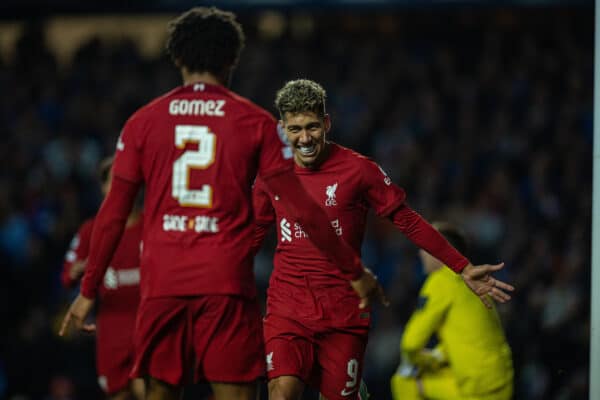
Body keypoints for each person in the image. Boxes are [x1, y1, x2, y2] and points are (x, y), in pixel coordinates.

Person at [59, 7, 388, 400]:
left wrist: (88, 290)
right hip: (224, 284)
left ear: (178, 57)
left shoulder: (142, 122)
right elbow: (300, 205)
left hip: (164, 283)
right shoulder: (254, 122)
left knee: (159, 393)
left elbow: (113, 214)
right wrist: (354, 270)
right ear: (232, 58)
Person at [251, 79, 514, 400]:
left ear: (327, 123)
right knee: (282, 392)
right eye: (295, 129)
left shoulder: (358, 171)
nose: (304, 138)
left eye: (312, 127)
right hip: (287, 308)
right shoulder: (272, 176)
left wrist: (461, 266)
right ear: (282, 128)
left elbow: (407, 221)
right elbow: (250, 235)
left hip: (343, 314)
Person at [390, 222, 514, 400]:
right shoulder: (473, 280)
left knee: (404, 379)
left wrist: (421, 360)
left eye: (425, 247)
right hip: (502, 383)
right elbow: (470, 336)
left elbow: (410, 344)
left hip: (477, 392)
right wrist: (437, 357)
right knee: (436, 371)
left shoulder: (441, 280)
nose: (420, 253)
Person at [61, 157, 144, 400]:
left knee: (148, 389)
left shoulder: (152, 225)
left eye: (128, 181)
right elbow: (67, 276)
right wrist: (77, 270)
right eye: (114, 181)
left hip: (148, 327)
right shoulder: (90, 230)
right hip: (111, 332)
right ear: (103, 187)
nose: (122, 187)